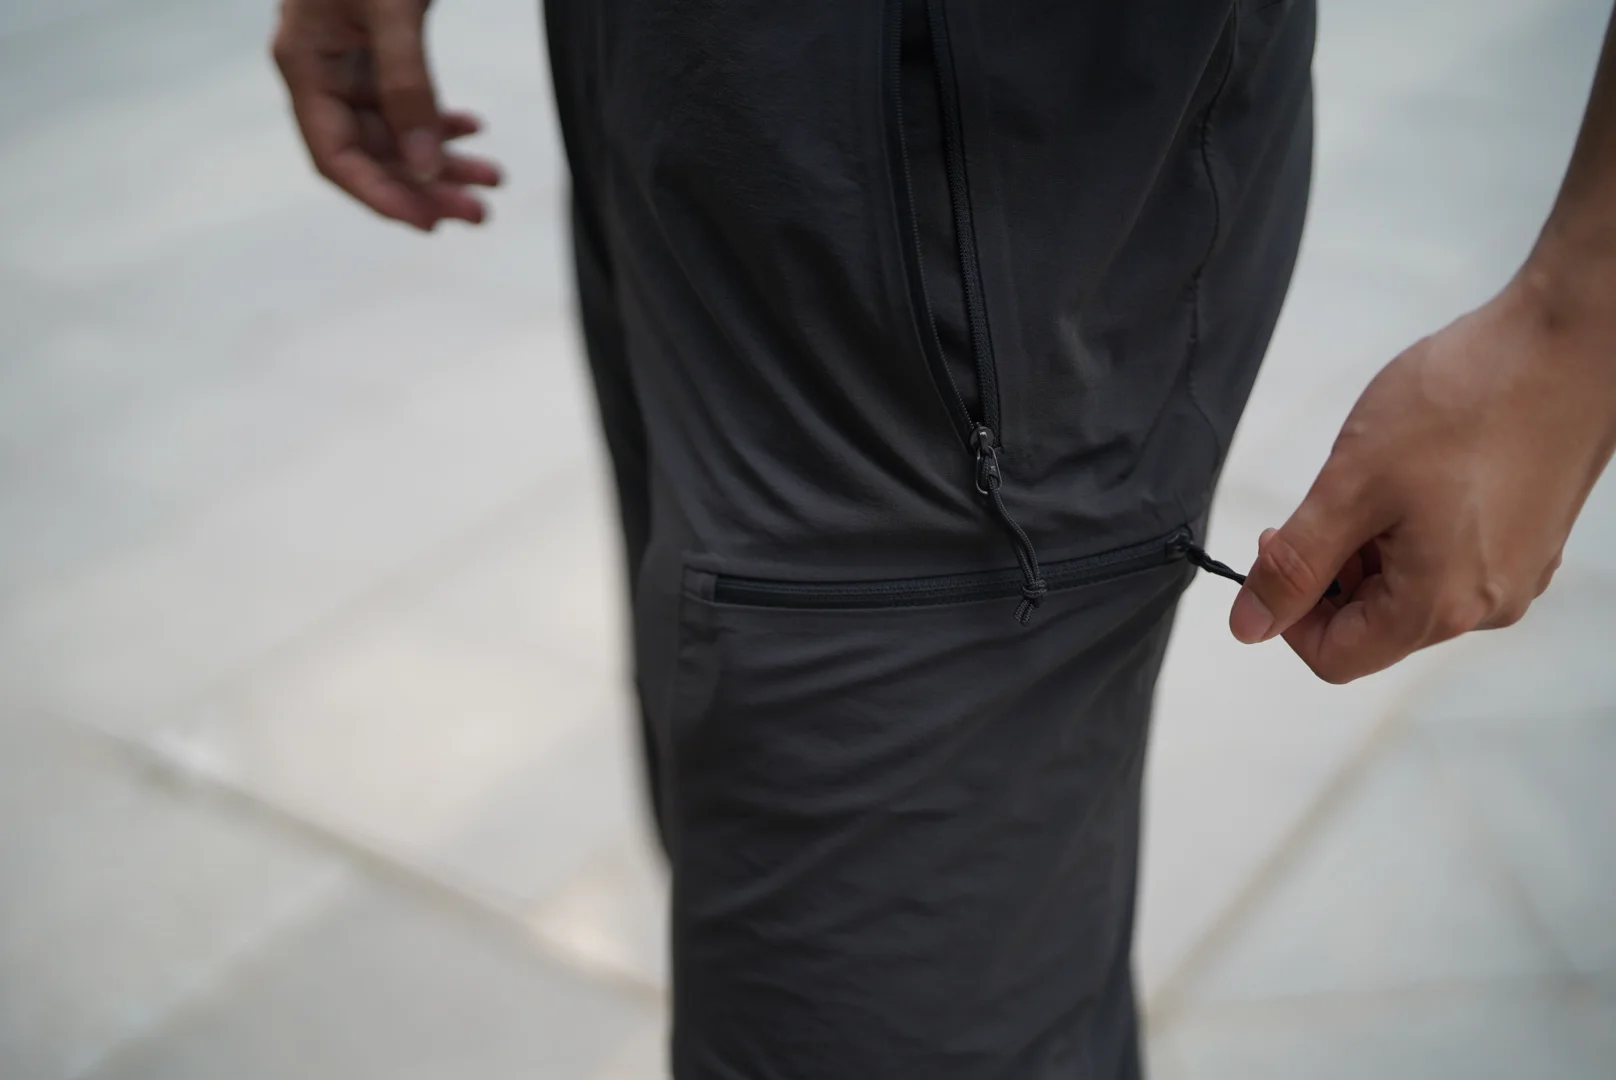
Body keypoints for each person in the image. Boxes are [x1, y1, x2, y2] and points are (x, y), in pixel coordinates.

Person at [272, 1, 1616, 1075]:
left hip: (989, 143)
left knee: (878, 1002)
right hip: (676, 85)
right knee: (746, 849)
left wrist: (1582, 318)